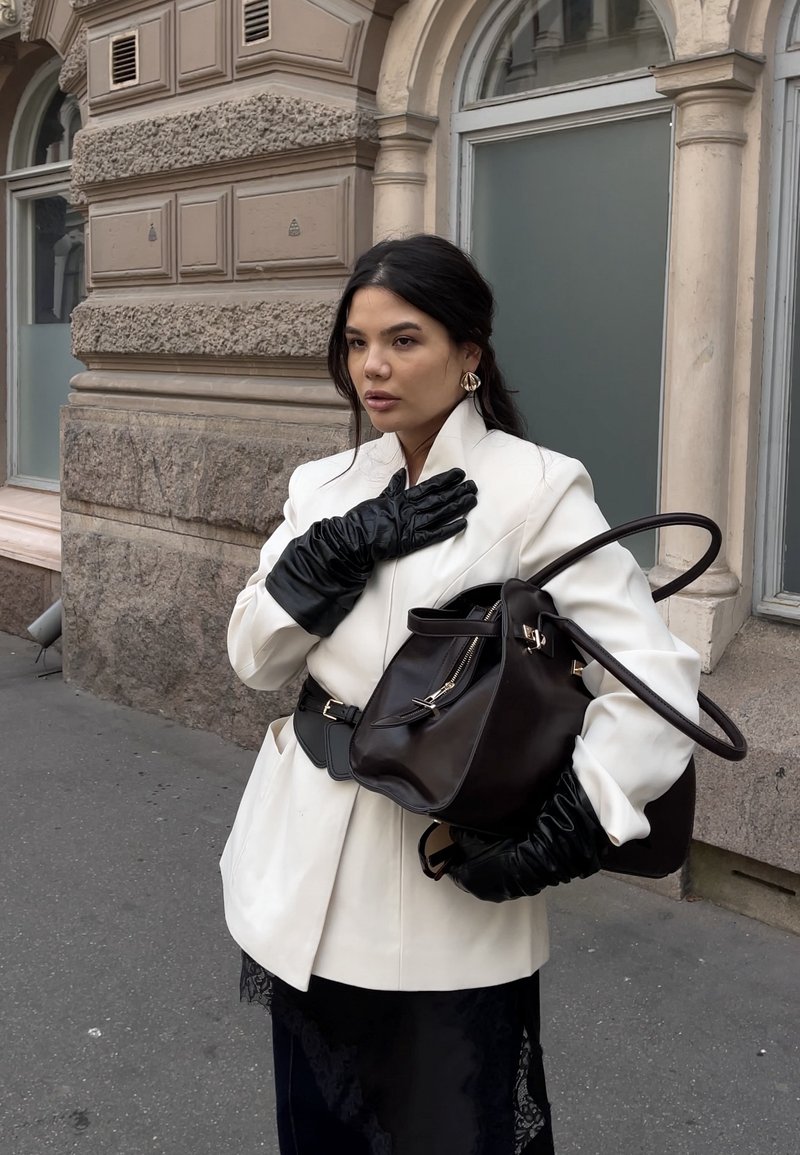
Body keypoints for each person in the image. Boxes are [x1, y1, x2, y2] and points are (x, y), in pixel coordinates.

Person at [220, 234, 701, 1154]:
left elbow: (656, 679)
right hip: (300, 863)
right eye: (357, 343)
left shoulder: (535, 486)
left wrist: (570, 823)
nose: (373, 367)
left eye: (404, 340)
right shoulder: (323, 487)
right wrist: (330, 553)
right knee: (318, 1129)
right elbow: (254, 659)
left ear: (469, 353)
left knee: (452, 1130)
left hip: (438, 879)